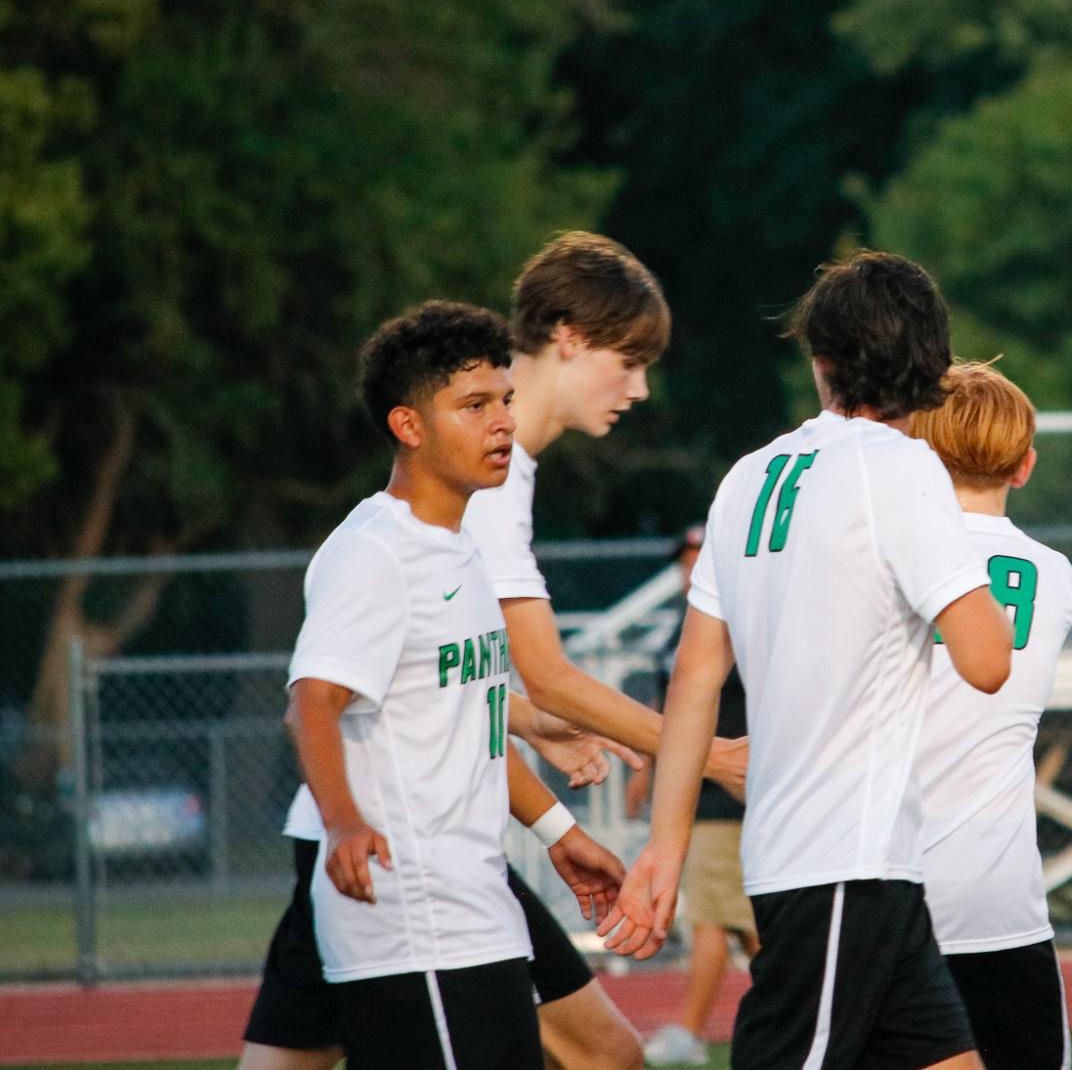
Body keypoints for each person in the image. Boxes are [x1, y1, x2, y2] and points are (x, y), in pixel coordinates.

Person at [245, 233, 743, 1070]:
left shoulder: (475, 516)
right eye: (628, 360)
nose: (641, 387)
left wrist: (552, 814)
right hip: (408, 869)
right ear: (568, 338)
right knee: (601, 1056)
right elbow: (335, 697)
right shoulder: (422, 521)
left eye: (500, 400)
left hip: (434, 858)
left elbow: (458, 690)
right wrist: (707, 753)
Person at [601, 251, 1015, 1070]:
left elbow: (694, 680)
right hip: (842, 861)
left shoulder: (749, 476)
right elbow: (987, 659)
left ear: (819, 360)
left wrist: (665, 844)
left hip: (833, 860)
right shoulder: (902, 471)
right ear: (932, 365)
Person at [275, 301, 628, 1069]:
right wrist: (341, 824)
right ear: (409, 426)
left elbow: (473, 726)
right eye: (473, 406)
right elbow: (309, 704)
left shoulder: (462, 550)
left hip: (477, 907)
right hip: (413, 920)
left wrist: (562, 837)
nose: (501, 421)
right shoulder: (374, 553)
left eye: (504, 399)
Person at [907, 363, 1072, 1070]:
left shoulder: (891, 559)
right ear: (1025, 465)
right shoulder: (1060, 579)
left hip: (887, 882)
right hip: (998, 892)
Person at [631, 527, 761, 1066]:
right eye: (684, 559)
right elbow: (671, 709)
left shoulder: (741, 620)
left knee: (714, 918)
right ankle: (804, 1009)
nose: (690, 569)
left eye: (699, 558)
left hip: (730, 789)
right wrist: (650, 768)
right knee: (745, 923)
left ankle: (690, 1029)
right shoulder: (677, 631)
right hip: (701, 788)